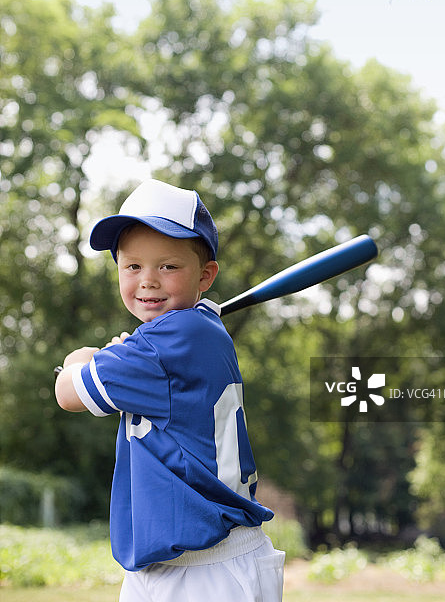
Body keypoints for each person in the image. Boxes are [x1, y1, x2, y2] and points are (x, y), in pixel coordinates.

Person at [55, 178, 285, 602]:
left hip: (206, 569)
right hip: (169, 565)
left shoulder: (169, 343)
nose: (148, 281)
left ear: (206, 275)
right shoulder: (194, 330)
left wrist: (81, 359)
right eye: (133, 266)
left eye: (168, 266)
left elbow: (67, 393)